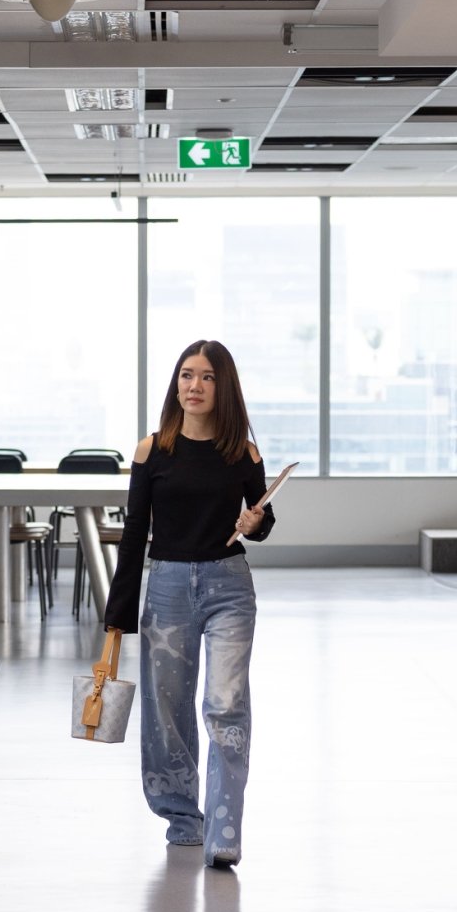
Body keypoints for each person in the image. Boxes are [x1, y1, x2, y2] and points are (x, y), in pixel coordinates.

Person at [103, 339, 275, 870]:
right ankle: (182, 818)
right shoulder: (151, 450)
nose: (194, 386)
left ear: (224, 388)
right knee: (167, 711)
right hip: (168, 588)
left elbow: (262, 519)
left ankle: (224, 830)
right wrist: (117, 616)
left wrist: (256, 522)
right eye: (186, 375)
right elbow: (135, 534)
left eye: (206, 377)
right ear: (176, 384)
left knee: (226, 705)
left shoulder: (243, 452)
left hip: (229, 588)